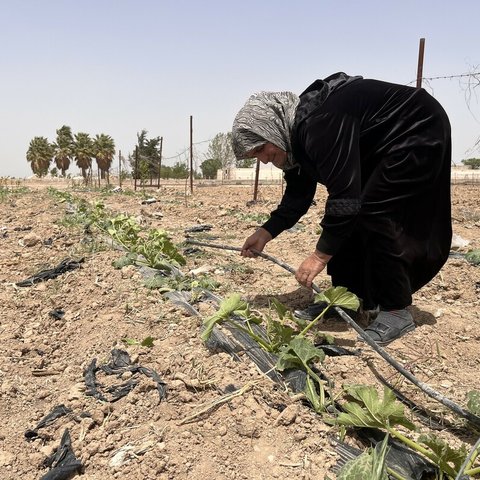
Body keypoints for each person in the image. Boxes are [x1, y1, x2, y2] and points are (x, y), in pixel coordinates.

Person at [232, 72, 452, 346]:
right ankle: (349, 298)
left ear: (272, 128)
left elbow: (345, 195)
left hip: (415, 127)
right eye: (256, 157)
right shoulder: (295, 140)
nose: (264, 161)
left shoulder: (319, 125)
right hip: (382, 144)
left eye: (262, 150)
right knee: (351, 213)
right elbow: (299, 194)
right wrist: (266, 232)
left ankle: (396, 310)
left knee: (374, 212)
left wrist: (319, 256)